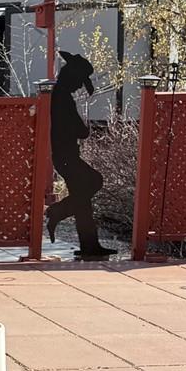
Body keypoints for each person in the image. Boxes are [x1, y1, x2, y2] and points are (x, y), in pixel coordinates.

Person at [44, 51, 115, 258]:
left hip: (65, 156)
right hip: (66, 157)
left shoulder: (60, 95)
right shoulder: (62, 98)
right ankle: (57, 212)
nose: (79, 87)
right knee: (94, 181)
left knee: (82, 199)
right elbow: (81, 131)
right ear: (72, 77)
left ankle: (89, 246)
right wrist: (84, 126)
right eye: (79, 82)